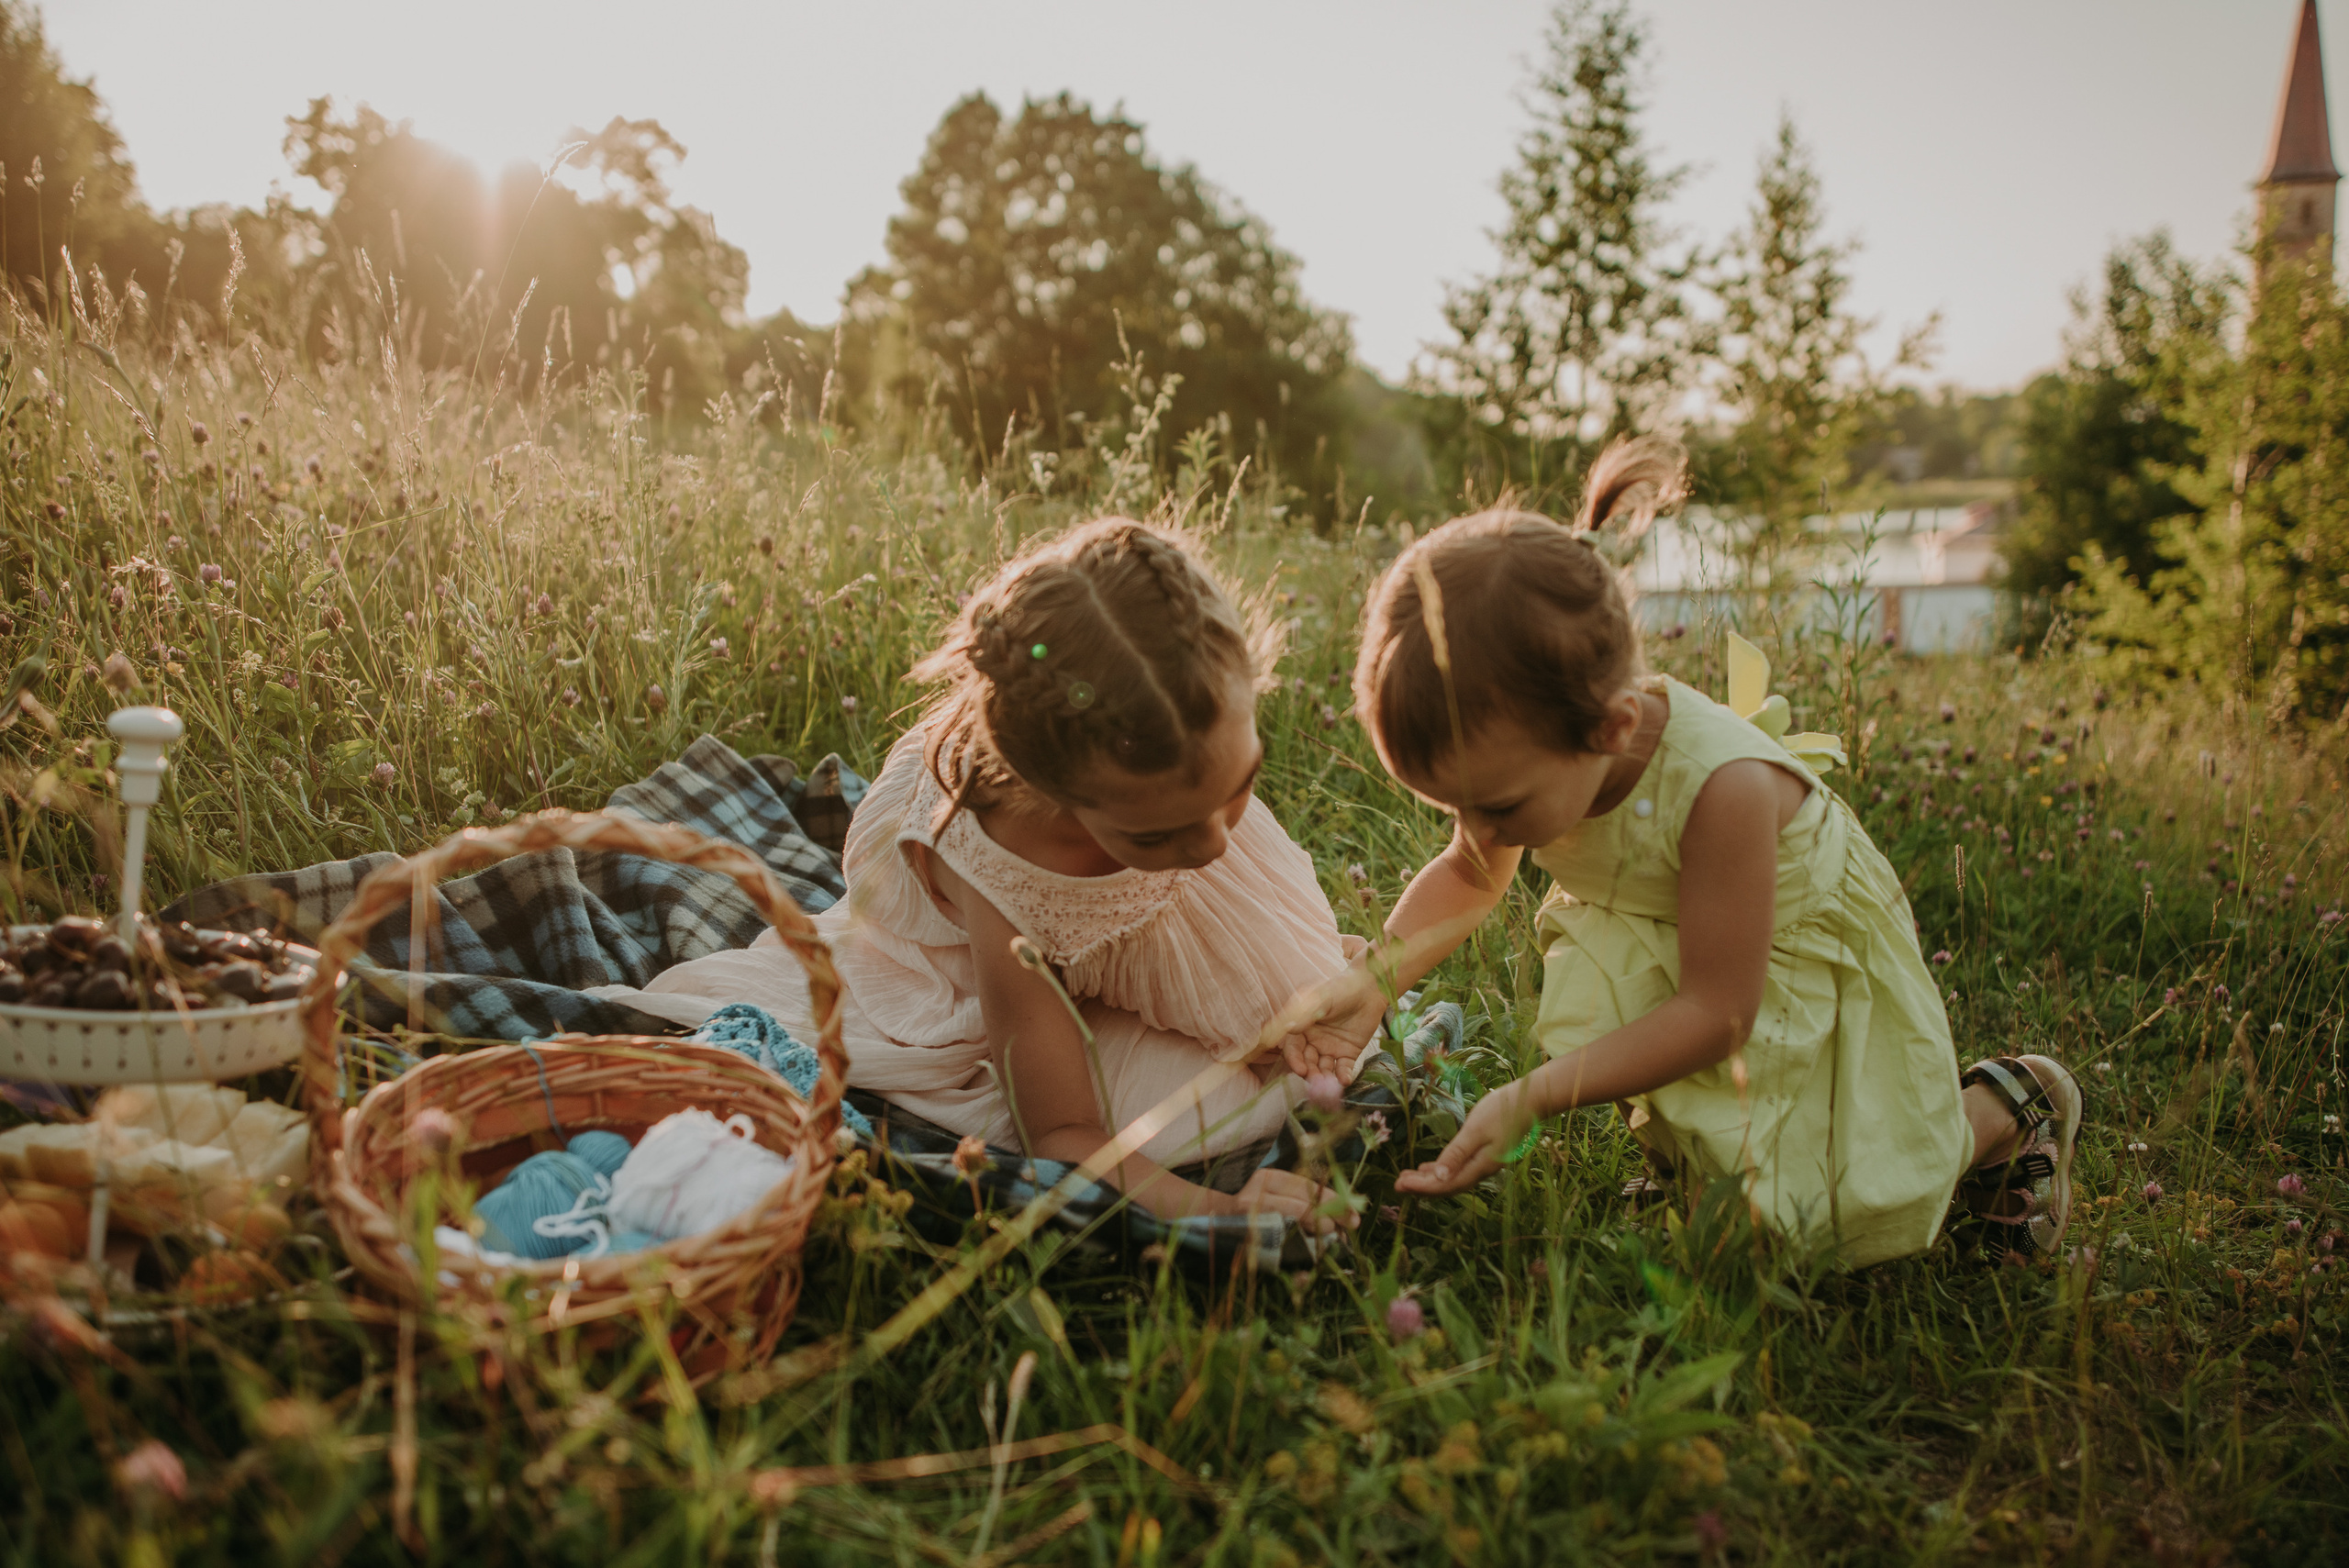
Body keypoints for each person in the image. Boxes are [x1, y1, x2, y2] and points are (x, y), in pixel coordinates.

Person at [1264, 439, 2083, 1267]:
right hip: (1679, 930)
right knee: (1736, 1189)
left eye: (1500, 806)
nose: (1483, 828)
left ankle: (2007, 1110)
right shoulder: (1534, 756)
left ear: (1611, 729)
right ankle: (1705, 1169)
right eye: (1455, 806)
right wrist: (1373, 986)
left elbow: (1717, 1011)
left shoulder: (1723, 791)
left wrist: (1534, 1096)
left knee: (1838, 1196)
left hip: (1787, 954)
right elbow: (1473, 875)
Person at [610, 518, 1376, 1229]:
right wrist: (1218, 1206)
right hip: (1009, 974)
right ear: (1062, 797)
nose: (1212, 843)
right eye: (1160, 831)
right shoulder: (1006, 871)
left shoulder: (1171, 748)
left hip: (1120, 907)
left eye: (1237, 785)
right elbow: (1063, 1130)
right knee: (1209, 1111)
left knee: (1311, 1025)